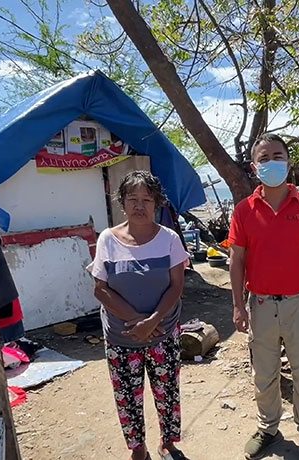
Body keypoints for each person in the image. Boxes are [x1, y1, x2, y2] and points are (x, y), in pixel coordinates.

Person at [228, 133, 299, 460]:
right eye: (264, 158)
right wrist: (237, 306)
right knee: (265, 373)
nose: (271, 163)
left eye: (277, 156)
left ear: (287, 162)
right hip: (259, 304)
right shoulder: (244, 211)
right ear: (253, 166)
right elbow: (237, 260)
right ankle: (268, 428)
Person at [88, 170, 190, 460]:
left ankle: (167, 444)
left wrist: (153, 322)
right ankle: (138, 449)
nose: (139, 205)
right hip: (122, 337)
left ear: (156, 203)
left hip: (163, 335)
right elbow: (100, 289)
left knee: (167, 394)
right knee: (127, 399)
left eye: (147, 199)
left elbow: (176, 287)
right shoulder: (108, 239)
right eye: (132, 199)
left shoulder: (169, 239)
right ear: (122, 203)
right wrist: (138, 322)